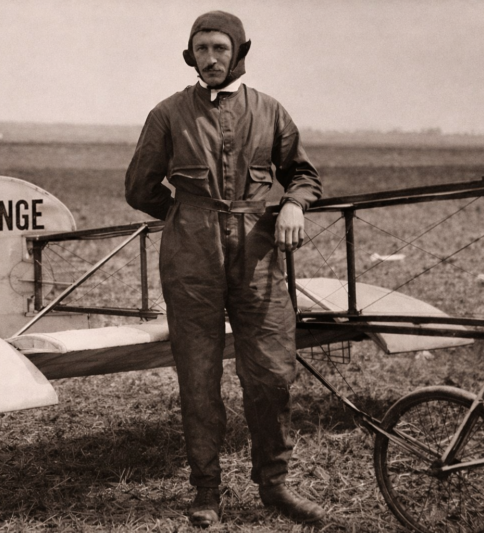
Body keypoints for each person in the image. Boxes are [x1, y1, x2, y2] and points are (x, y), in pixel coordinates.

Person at [125, 10, 324, 527]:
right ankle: (206, 492)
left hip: (259, 255)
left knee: (273, 374)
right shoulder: (168, 114)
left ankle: (275, 487)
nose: (211, 58)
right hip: (191, 257)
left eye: (220, 48)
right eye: (202, 49)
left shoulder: (270, 110)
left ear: (239, 52)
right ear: (190, 55)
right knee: (198, 375)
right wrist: (183, 216)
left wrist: (294, 205)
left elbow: (301, 174)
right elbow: (139, 186)